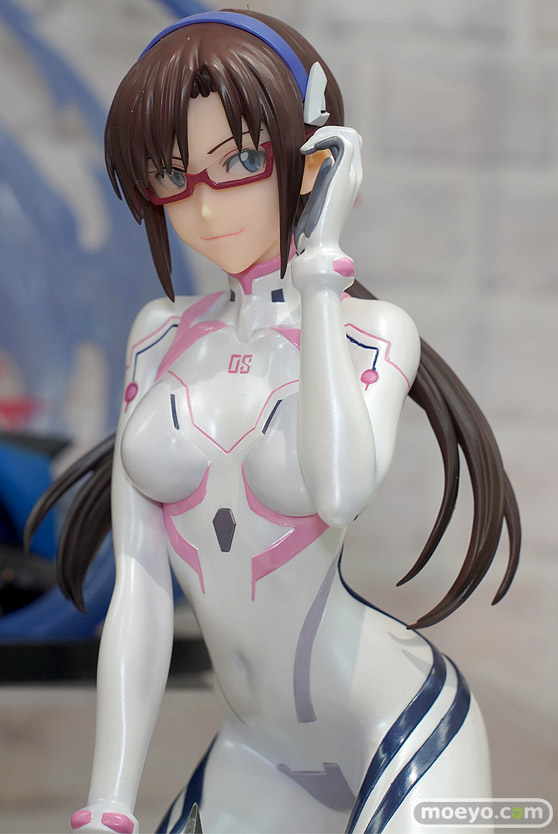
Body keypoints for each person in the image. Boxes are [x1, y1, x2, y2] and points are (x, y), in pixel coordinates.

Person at [27, 10, 520, 834]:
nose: (204, 206)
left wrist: (321, 269)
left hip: (396, 725)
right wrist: (110, 798)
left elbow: (339, 491)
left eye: (242, 161)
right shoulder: (158, 337)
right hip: (256, 750)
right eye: (172, 175)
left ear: (313, 157)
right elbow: (140, 591)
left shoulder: (370, 332)